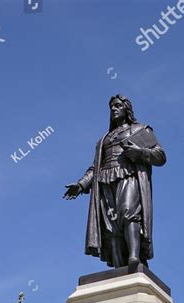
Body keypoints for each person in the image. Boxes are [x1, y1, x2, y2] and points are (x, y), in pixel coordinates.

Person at [63, 94, 166, 268]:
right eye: (111, 107)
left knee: (128, 212)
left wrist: (140, 153)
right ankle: (119, 266)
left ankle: (134, 257)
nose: (113, 109)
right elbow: (95, 167)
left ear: (127, 109)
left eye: (117, 105)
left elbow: (160, 156)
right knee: (111, 226)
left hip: (128, 175)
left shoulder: (140, 130)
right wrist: (81, 184)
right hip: (105, 180)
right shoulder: (104, 140)